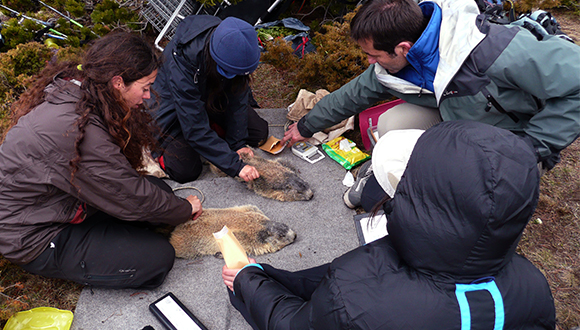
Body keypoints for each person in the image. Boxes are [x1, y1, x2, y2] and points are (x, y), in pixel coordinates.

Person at [222, 120, 556, 329]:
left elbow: (293, 324)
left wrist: (249, 281)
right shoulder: (535, 289)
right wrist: (272, 276)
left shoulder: (354, 296)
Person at [281, 0, 580, 210]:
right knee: (389, 125)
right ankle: (397, 185)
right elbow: (352, 94)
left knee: (478, 196)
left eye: (374, 55)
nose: (370, 62)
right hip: (458, 119)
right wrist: (306, 126)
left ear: (403, 49)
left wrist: (533, 147)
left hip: (513, 136)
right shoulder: (395, 63)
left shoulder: (494, 50)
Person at [0, 32, 202, 289]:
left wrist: (169, 208)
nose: (148, 96)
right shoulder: (76, 131)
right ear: (118, 82)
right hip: (33, 234)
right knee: (157, 258)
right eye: (145, 87)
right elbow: (129, 194)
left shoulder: (83, 91)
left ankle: (115, 236)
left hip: (64, 202)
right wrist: (186, 209)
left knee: (159, 193)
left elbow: (121, 185)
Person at [151, 15, 269, 184]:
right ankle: (206, 138)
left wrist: (238, 144)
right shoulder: (184, 58)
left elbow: (238, 97)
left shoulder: (235, 47)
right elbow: (193, 125)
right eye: (229, 71)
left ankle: (213, 134)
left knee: (259, 132)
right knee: (185, 169)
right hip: (174, 107)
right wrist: (236, 166)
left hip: (211, 94)